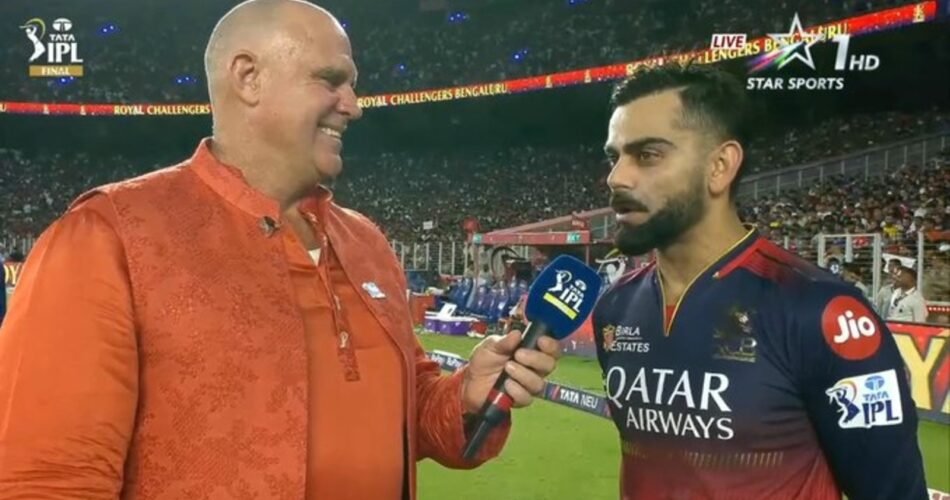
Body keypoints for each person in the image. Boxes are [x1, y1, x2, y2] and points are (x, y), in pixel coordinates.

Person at [0, 1, 560, 498]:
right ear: (249, 77)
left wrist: (464, 398)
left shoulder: (366, 243)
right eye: (331, 80)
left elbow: (409, 414)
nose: (354, 105)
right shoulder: (108, 237)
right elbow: (46, 479)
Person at [594, 63, 927, 499]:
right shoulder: (615, 307)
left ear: (720, 166)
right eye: (614, 157)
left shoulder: (822, 311)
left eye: (647, 155)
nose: (616, 177)